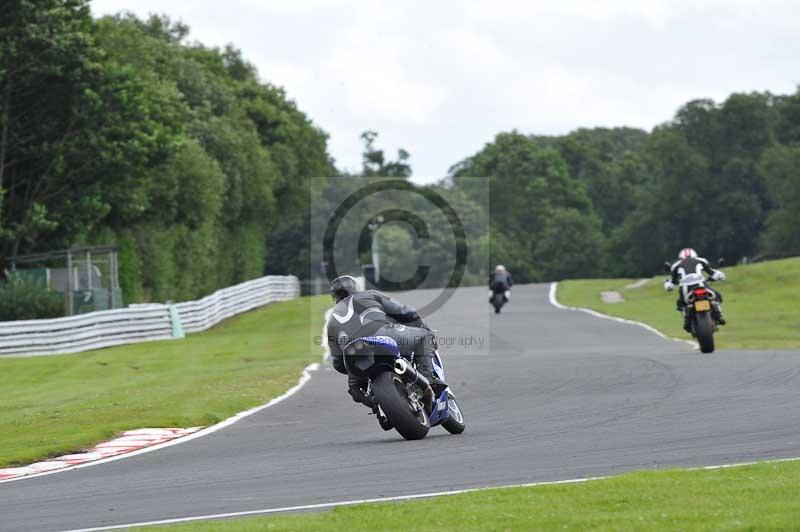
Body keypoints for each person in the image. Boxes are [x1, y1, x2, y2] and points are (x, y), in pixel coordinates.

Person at [326, 275, 446, 405]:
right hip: (381, 334)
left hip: (353, 355)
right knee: (425, 336)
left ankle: (375, 404)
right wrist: (421, 325)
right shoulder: (370, 294)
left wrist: (351, 370)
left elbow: (337, 362)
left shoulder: (331, 320)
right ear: (355, 287)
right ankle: (428, 380)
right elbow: (405, 312)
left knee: (356, 387)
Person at [663, 248, 726, 332]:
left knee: (681, 303)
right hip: (701, 284)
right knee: (716, 296)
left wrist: (668, 285)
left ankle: (687, 320)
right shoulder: (701, 260)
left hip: (686, 288)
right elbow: (712, 272)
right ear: (695, 255)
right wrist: (719, 276)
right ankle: (719, 314)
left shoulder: (676, 265)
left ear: (681, 257)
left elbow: (673, 282)